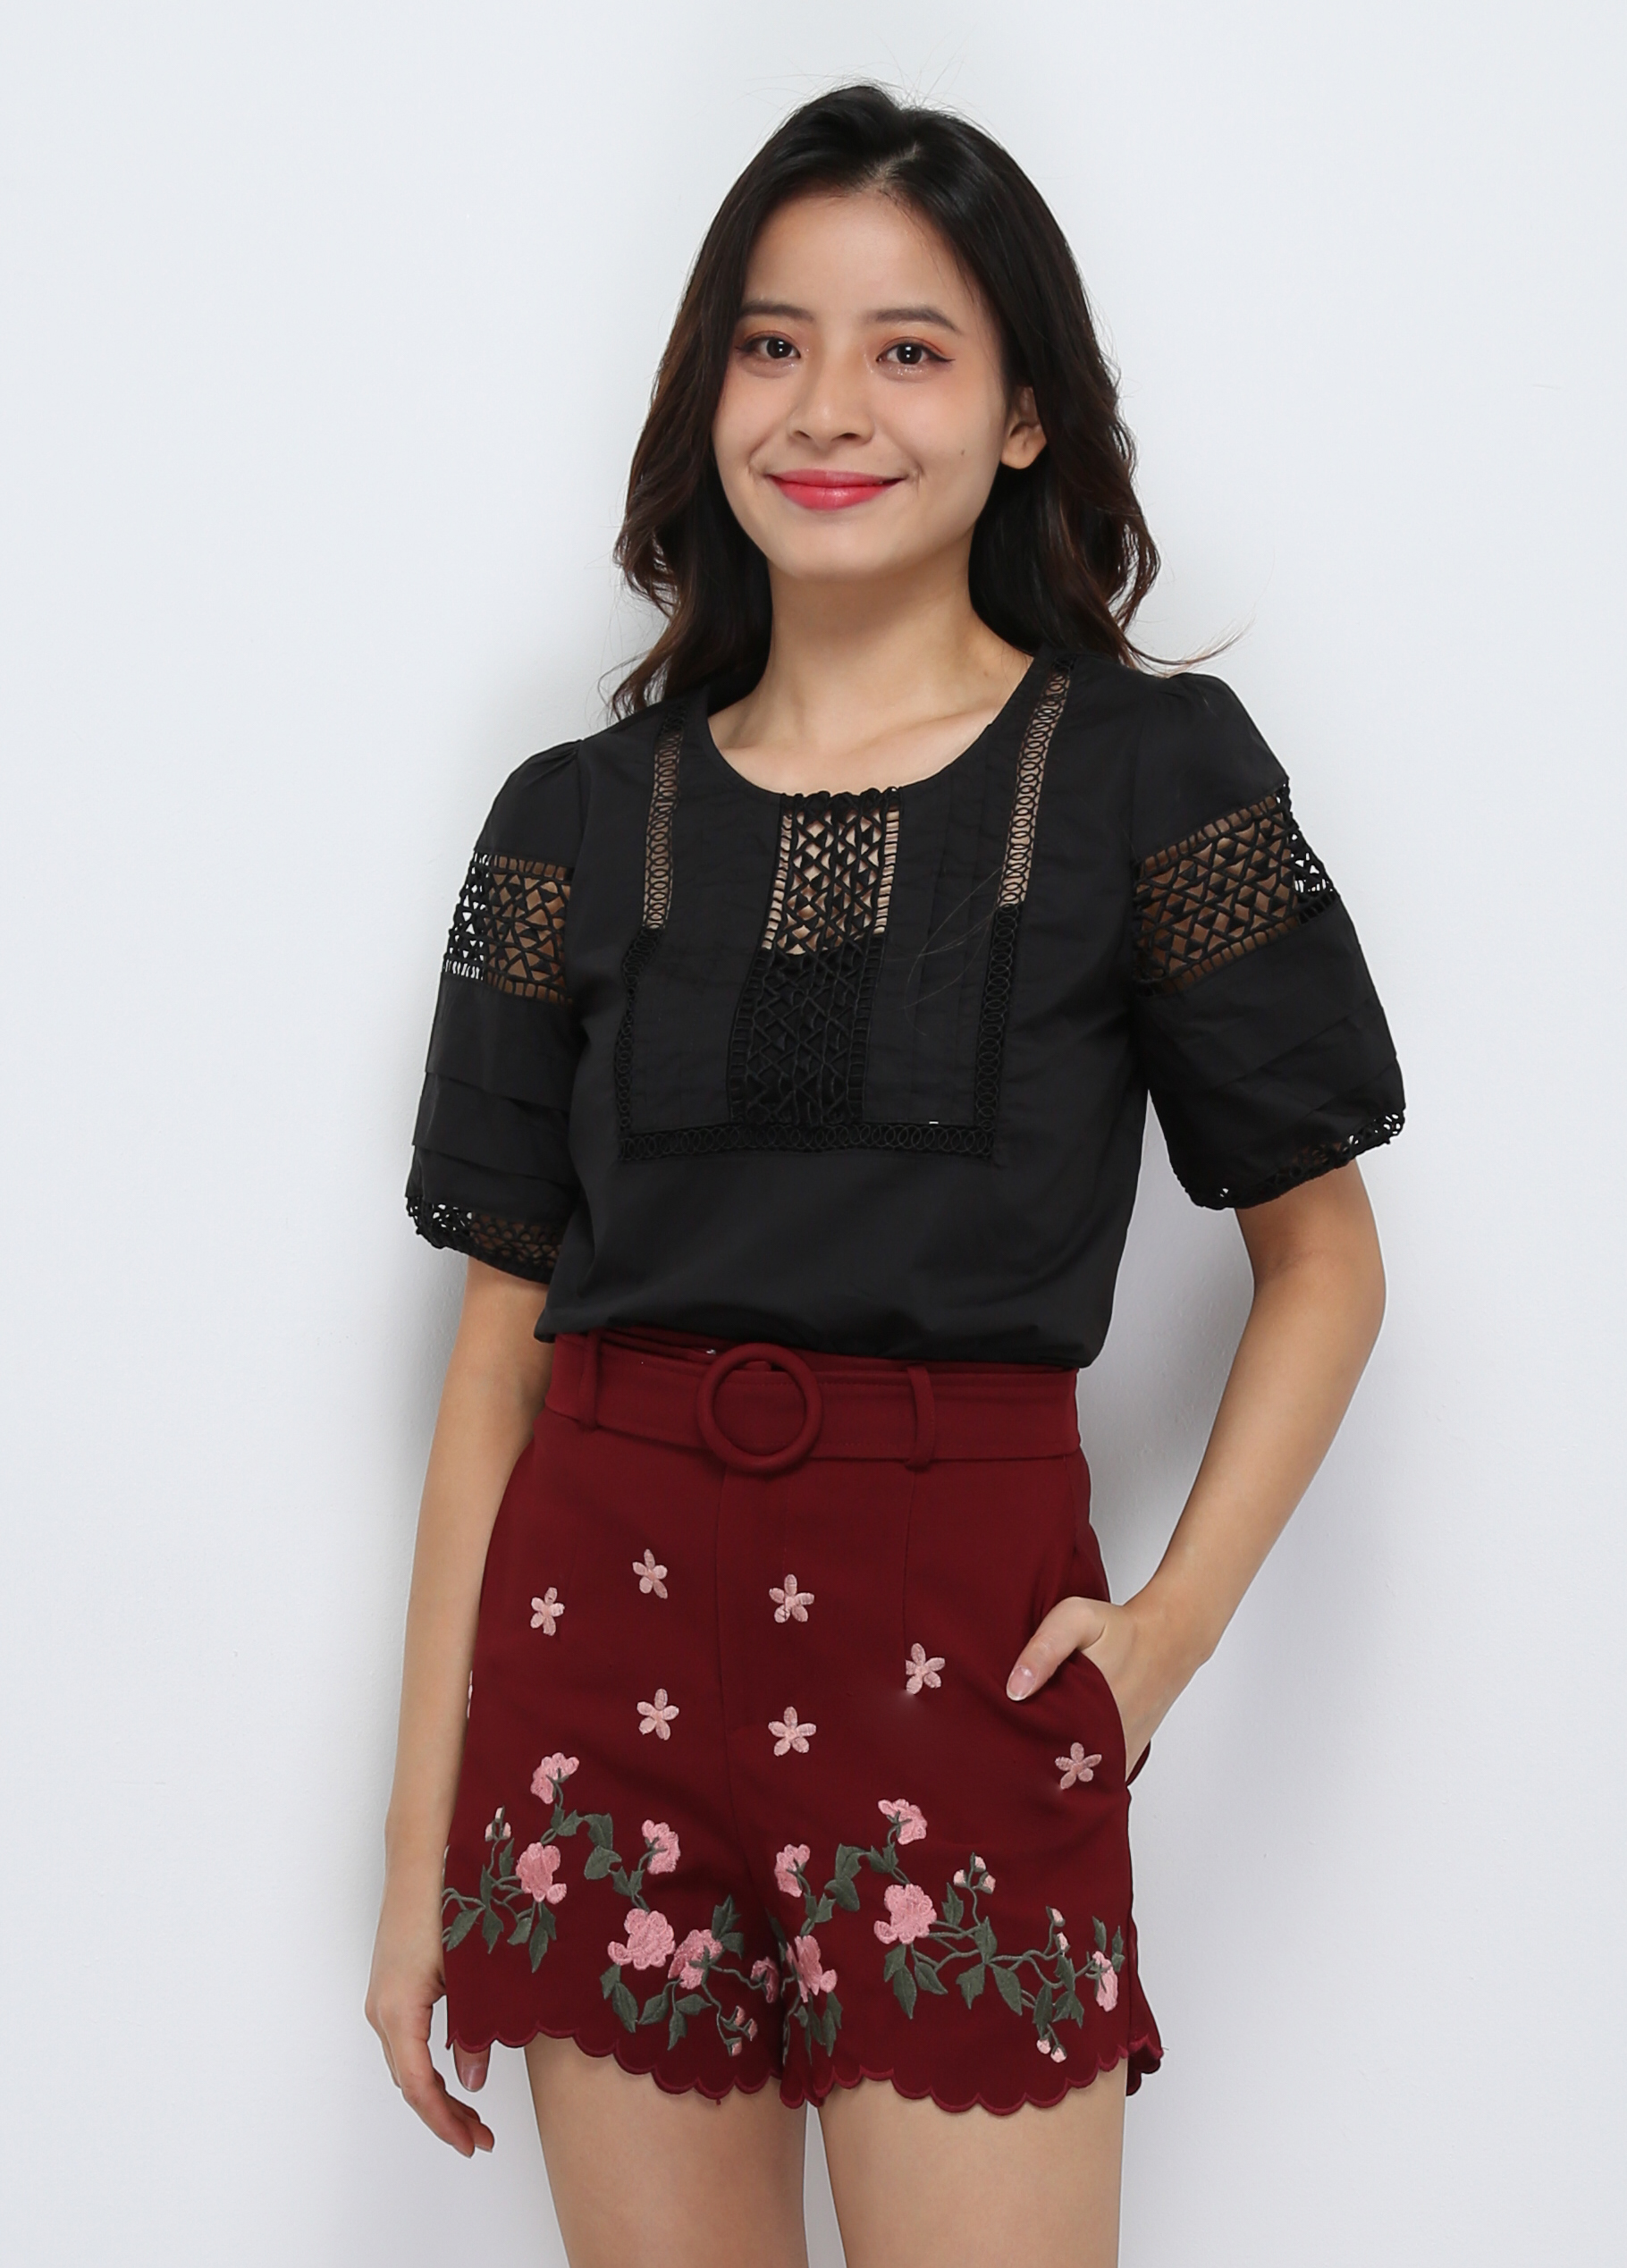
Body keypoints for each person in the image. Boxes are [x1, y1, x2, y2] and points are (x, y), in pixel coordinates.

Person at [365, 83, 1402, 2268]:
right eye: (772, 343)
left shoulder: (1151, 778)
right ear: (706, 392)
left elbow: (1321, 1262)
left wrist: (1164, 1640)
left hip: (966, 1665)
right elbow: (495, 1359)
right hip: (598, 1669)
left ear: (1025, 415)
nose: (826, 405)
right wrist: (413, 1865)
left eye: (907, 348)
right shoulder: (568, 820)